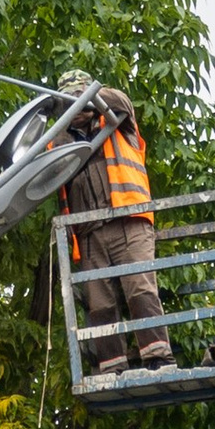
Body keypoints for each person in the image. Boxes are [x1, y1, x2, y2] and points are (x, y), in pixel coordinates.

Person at [65, 86, 176, 372]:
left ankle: (158, 357)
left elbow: (122, 100)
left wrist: (89, 92)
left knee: (140, 289)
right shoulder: (61, 142)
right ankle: (112, 367)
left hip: (129, 220)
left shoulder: (115, 120)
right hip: (90, 233)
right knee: (100, 305)